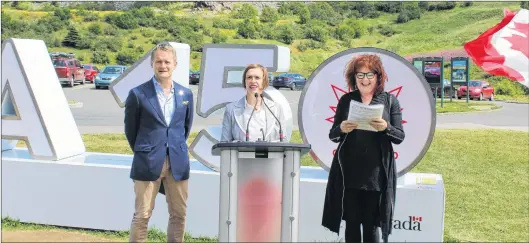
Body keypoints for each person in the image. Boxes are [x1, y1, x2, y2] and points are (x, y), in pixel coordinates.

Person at [321, 54, 405, 243]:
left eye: (369, 75)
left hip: (376, 175)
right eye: (360, 75)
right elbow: (332, 135)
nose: (365, 80)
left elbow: (399, 136)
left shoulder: (390, 101)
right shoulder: (346, 100)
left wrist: (386, 127)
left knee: (371, 227)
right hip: (349, 173)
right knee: (351, 225)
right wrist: (341, 128)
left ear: (378, 77)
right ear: (354, 78)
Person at [124, 42, 194, 243]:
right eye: (159, 61)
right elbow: (131, 131)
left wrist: (173, 147)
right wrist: (146, 150)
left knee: (179, 214)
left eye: (167, 62)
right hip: (147, 161)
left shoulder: (186, 94)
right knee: (142, 215)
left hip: (178, 162)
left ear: (175, 64)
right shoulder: (138, 94)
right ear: (152, 64)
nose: (163, 65)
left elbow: (184, 128)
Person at [220, 64, 285, 143]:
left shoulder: (276, 109)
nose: (253, 81)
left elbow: (284, 141)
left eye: (257, 78)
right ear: (245, 81)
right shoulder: (231, 109)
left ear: (264, 82)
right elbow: (224, 144)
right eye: (249, 77)